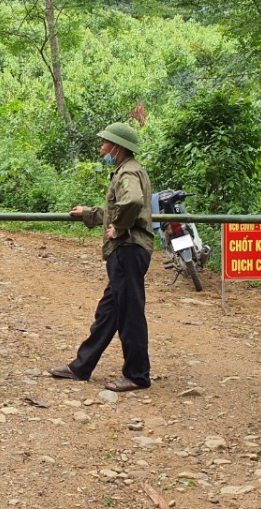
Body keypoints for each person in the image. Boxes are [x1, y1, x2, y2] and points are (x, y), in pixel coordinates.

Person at [49, 123, 153, 392]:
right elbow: (114, 210)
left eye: (105, 144)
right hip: (125, 251)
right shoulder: (126, 170)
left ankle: (137, 375)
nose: (102, 149)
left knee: (130, 315)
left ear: (117, 147)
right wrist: (88, 213)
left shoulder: (128, 172)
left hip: (128, 249)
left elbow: (131, 202)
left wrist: (119, 228)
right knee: (108, 313)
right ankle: (81, 367)